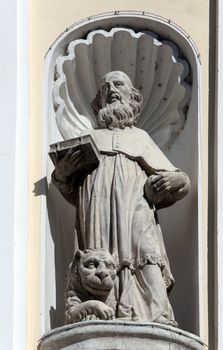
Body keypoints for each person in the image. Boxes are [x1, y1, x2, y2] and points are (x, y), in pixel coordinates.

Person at [52, 71, 190, 325]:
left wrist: (178, 180)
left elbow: (176, 179)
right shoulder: (90, 139)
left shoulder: (140, 138)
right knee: (100, 260)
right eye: (104, 87)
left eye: (118, 84)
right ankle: (102, 310)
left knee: (147, 252)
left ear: (132, 95)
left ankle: (156, 313)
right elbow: (70, 189)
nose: (111, 90)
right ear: (99, 101)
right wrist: (63, 172)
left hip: (136, 205)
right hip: (96, 211)